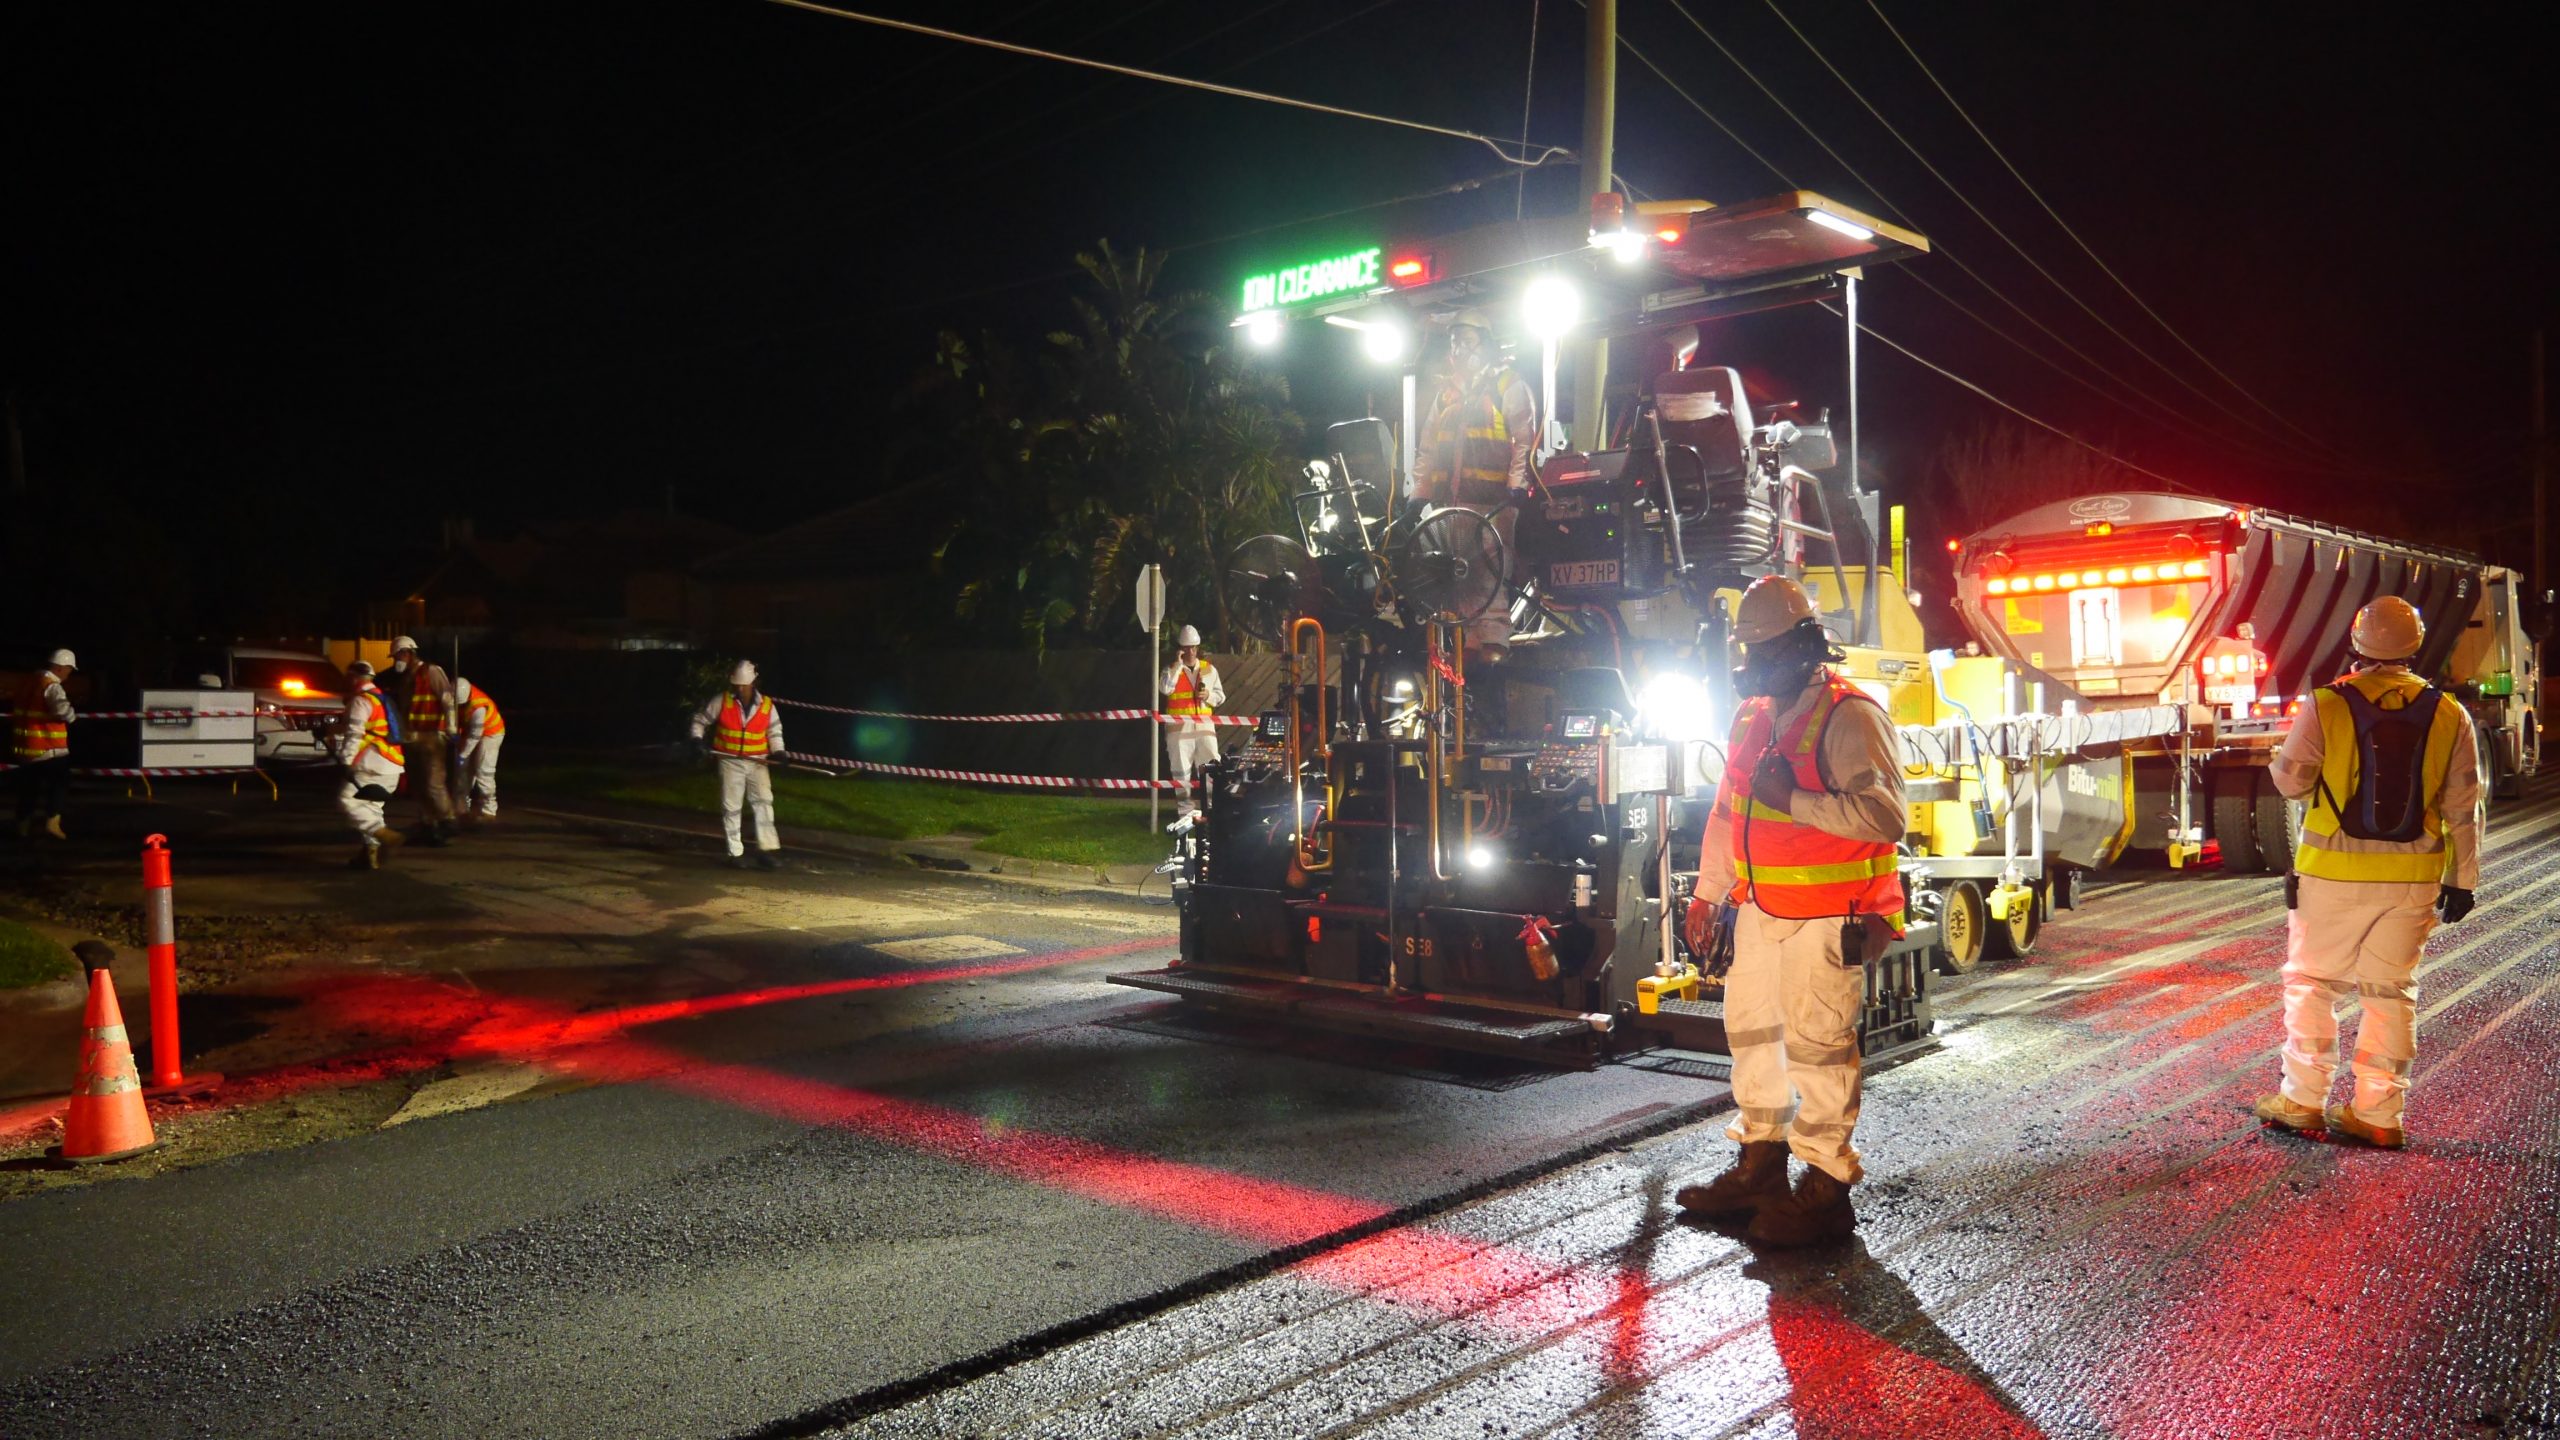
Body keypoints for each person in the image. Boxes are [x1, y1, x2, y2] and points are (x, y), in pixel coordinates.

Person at [1677, 576, 1906, 1247]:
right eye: (1750, 655)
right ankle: (1760, 1166)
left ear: (1805, 649)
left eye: (1768, 653)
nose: (1757, 669)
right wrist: (1708, 891)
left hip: (1830, 915)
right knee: (1753, 1038)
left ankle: (1825, 1191)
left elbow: (1885, 817)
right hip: (1762, 910)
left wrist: (1792, 800)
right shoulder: (1752, 713)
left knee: (1819, 1047)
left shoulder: (1851, 716)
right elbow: (1730, 810)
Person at [2254, 595, 2482, 1149]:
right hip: (2413, 879)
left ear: (2358, 644)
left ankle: (2304, 1101)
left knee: (2312, 985)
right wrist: (2464, 881)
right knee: (2390, 992)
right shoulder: (2450, 713)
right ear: (2416, 645)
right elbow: (2463, 806)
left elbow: (2290, 782)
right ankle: (2378, 1113)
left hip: (2330, 877)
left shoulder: (2328, 704)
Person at [1414, 308, 1539, 656]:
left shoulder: (1507, 384)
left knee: (1489, 571)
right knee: (1456, 574)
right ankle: (1464, 646)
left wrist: (1516, 485)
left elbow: (1524, 440)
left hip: (1492, 502)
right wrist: (1419, 493)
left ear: (1485, 344)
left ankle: (1494, 642)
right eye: (1454, 341)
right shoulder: (1446, 394)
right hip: (1450, 506)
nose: (1458, 349)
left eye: (1466, 340)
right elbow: (1426, 447)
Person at [690, 660, 785, 869]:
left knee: (764, 804)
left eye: (744, 684)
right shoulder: (722, 701)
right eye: (737, 685)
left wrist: (779, 751)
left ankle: (765, 850)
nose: (740, 688)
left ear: (753, 683)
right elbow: (700, 720)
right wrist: (697, 739)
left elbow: (774, 731)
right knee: (732, 807)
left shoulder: (767, 705)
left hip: (758, 762)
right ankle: (735, 853)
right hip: (730, 760)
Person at [333, 661, 409, 869]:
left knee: (347, 801)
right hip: (392, 764)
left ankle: (385, 834)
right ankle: (370, 856)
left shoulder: (360, 701)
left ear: (354, 677)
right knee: (372, 808)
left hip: (371, 764)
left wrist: (346, 760)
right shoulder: (381, 699)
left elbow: (355, 733)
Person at [387, 636, 459, 844]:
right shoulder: (406, 678)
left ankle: (447, 819)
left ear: (408, 653)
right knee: (418, 785)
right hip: (412, 738)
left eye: (398, 655)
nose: (396, 660)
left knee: (432, 782)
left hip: (431, 737)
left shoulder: (431, 672)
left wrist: (451, 727)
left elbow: (447, 700)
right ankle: (429, 824)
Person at [1160, 626, 1225, 821]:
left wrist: (1209, 696)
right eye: (1186, 648)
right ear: (1180, 648)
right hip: (1178, 730)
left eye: (1193, 647)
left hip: (1204, 727)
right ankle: (1185, 813)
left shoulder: (1209, 669)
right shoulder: (1170, 670)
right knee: (1181, 771)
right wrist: (1177, 666)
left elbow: (1220, 696)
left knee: (1211, 767)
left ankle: (1212, 808)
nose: (1190, 651)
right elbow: (1165, 689)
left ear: (1198, 648)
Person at [13, 648, 79, 839]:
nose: (69, 674)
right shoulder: (52, 686)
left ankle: (22, 826)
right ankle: (52, 822)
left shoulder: (27, 683)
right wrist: (71, 716)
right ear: (61, 668)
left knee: (28, 790)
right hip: (50, 749)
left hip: (26, 748)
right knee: (59, 785)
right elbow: (62, 710)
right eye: (69, 669)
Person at [452, 678, 505, 822]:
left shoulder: (479, 707)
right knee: (462, 772)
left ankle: (488, 810)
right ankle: (461, 809)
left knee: (483, 771)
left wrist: (463, 754)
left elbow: (475, 736)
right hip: (469, 732)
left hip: (491, 734)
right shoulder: (455, 696)